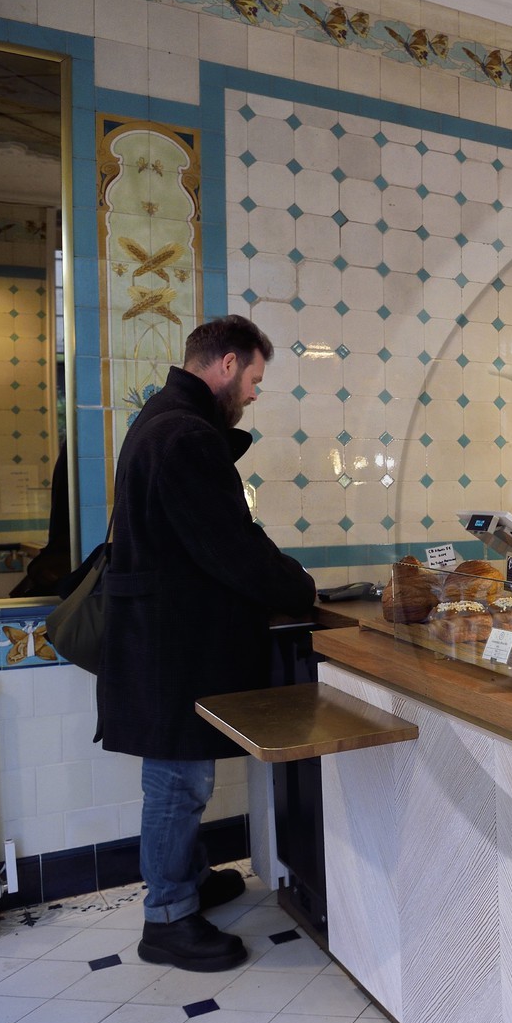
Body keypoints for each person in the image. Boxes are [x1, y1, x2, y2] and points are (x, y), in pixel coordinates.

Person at [97, 315, 316, 972]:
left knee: (178, 769)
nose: (252, 394)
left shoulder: (163, 420)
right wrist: (298, 587)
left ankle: (186, 882)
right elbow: (229, 546)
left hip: (163, 636)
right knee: (177, 779)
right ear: (224, 364)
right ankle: (167, 918)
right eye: (252, 379)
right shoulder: (187, 436)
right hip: (171, 644)